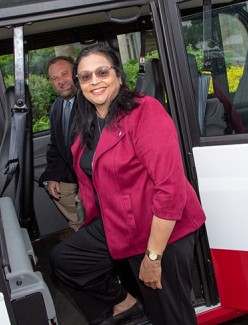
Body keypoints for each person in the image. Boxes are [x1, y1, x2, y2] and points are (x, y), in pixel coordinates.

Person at [49, 44, 206, 325]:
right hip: (118, 223)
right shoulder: (87, 122)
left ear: (119, 77)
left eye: (102, 72)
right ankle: (126, 306)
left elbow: (170, 190)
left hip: (160, 228)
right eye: (85, 77)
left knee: (169, 316)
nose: (94, 80)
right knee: (66, 259)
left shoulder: (145, 111)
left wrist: (153, 257)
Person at [39, 56, 85, 232]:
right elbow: (55, 145)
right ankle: (80, 226)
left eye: (64, 74)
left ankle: (85, 228)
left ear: (76, 73)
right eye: (54, 78)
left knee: (84, 203)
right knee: (54, 188)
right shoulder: (57, 107)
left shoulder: (88, 99)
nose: (60, 81)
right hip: (70, 167)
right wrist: (53, 176)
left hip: (90, 170)